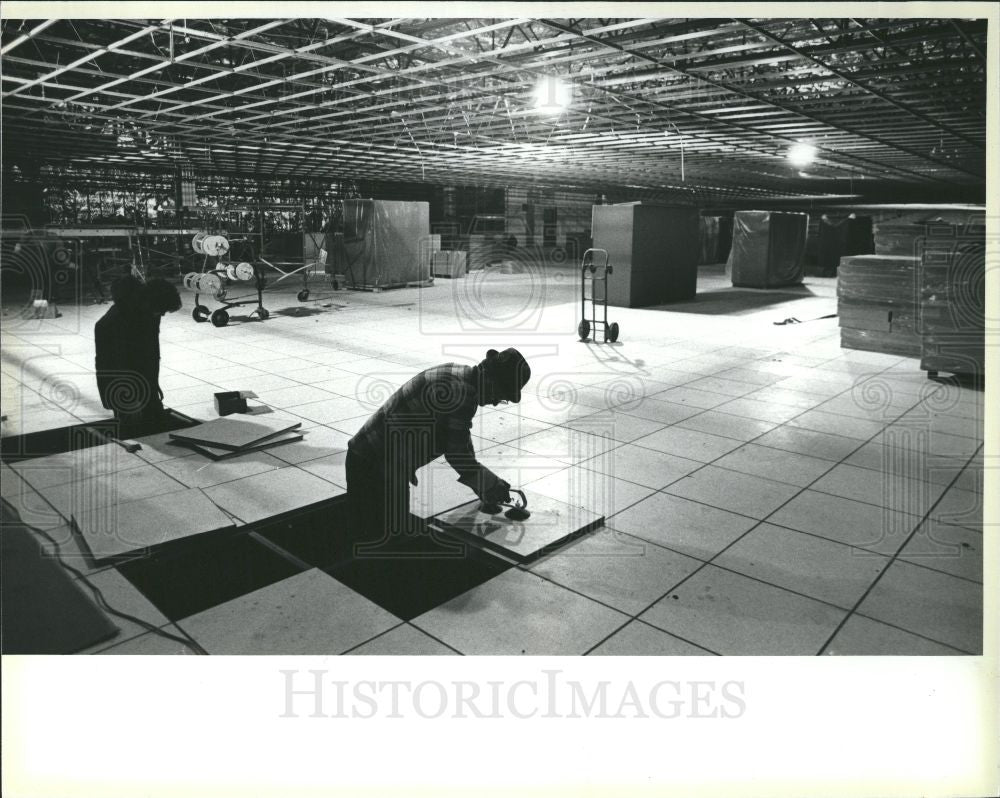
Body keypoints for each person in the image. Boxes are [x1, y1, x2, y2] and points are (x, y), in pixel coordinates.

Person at [346, 347, 531, 550]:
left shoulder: (459, 374)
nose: (496, 402)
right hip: (375, 463)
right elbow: (457, 455)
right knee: (385, 540)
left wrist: (482, 485)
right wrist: (490, 485)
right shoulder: (463, 393)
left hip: (371, 456)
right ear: (489, 379)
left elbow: (460, 441)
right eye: (501, 394)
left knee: (376, 535)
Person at [94, 275, 182, 436]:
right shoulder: (114, 324)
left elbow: (151, 352)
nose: (162, 315)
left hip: (144, 379)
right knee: (134, 430)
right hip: (121, 386)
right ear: (149, 302)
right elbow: (116, 366)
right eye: (161, 311)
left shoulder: (149, 312)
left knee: (156, 425)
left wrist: (153, 385)